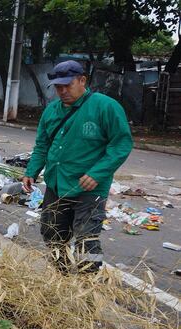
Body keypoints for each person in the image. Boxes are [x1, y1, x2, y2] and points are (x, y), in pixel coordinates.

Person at [21, 60, 133, 274]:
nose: (62, 91)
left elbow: (121, 144)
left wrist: (97, 173)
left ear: (82, 81)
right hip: (57, 183)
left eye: (67, 85)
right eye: (58, 87)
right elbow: (43, 145)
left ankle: (88, 282)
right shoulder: (51, 111)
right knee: (51, 232)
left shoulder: (105, 107)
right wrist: (31, 171)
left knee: (86, 239)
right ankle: (61, 275)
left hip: (89, 188)